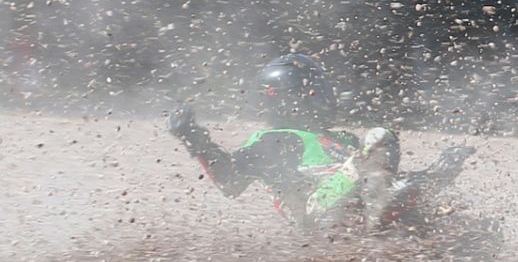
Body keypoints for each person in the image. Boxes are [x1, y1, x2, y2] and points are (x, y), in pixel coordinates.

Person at [167, 53, 403, 227]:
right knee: (380, 136)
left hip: (361, 195)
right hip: (315, 208)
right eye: (315, 90)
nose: (324, 97)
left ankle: (390, 201)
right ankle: (378, 202)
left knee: (387, 148)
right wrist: (193, 136)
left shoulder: (344, 138)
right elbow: (230, 180)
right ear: (289, 99)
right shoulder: (274, 140)